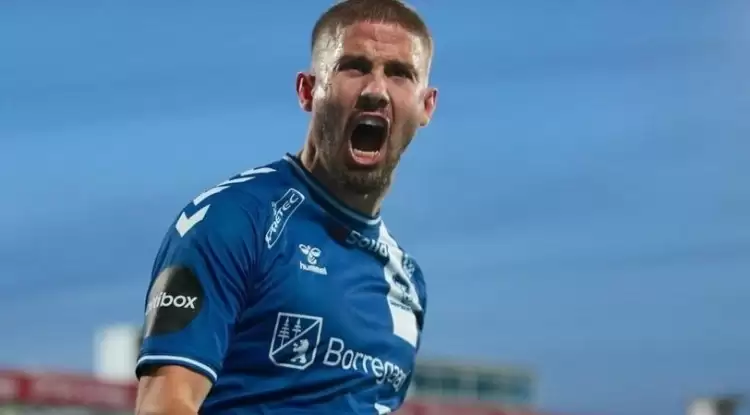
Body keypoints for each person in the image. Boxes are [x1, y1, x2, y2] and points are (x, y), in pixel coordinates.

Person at [134, 0, 438, 413]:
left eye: (399, 73)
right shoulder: (233, 220)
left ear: (426, 106)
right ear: (308, 91)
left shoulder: (408, 283)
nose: (375, 90)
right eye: (354, 67)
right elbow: (165, 404)